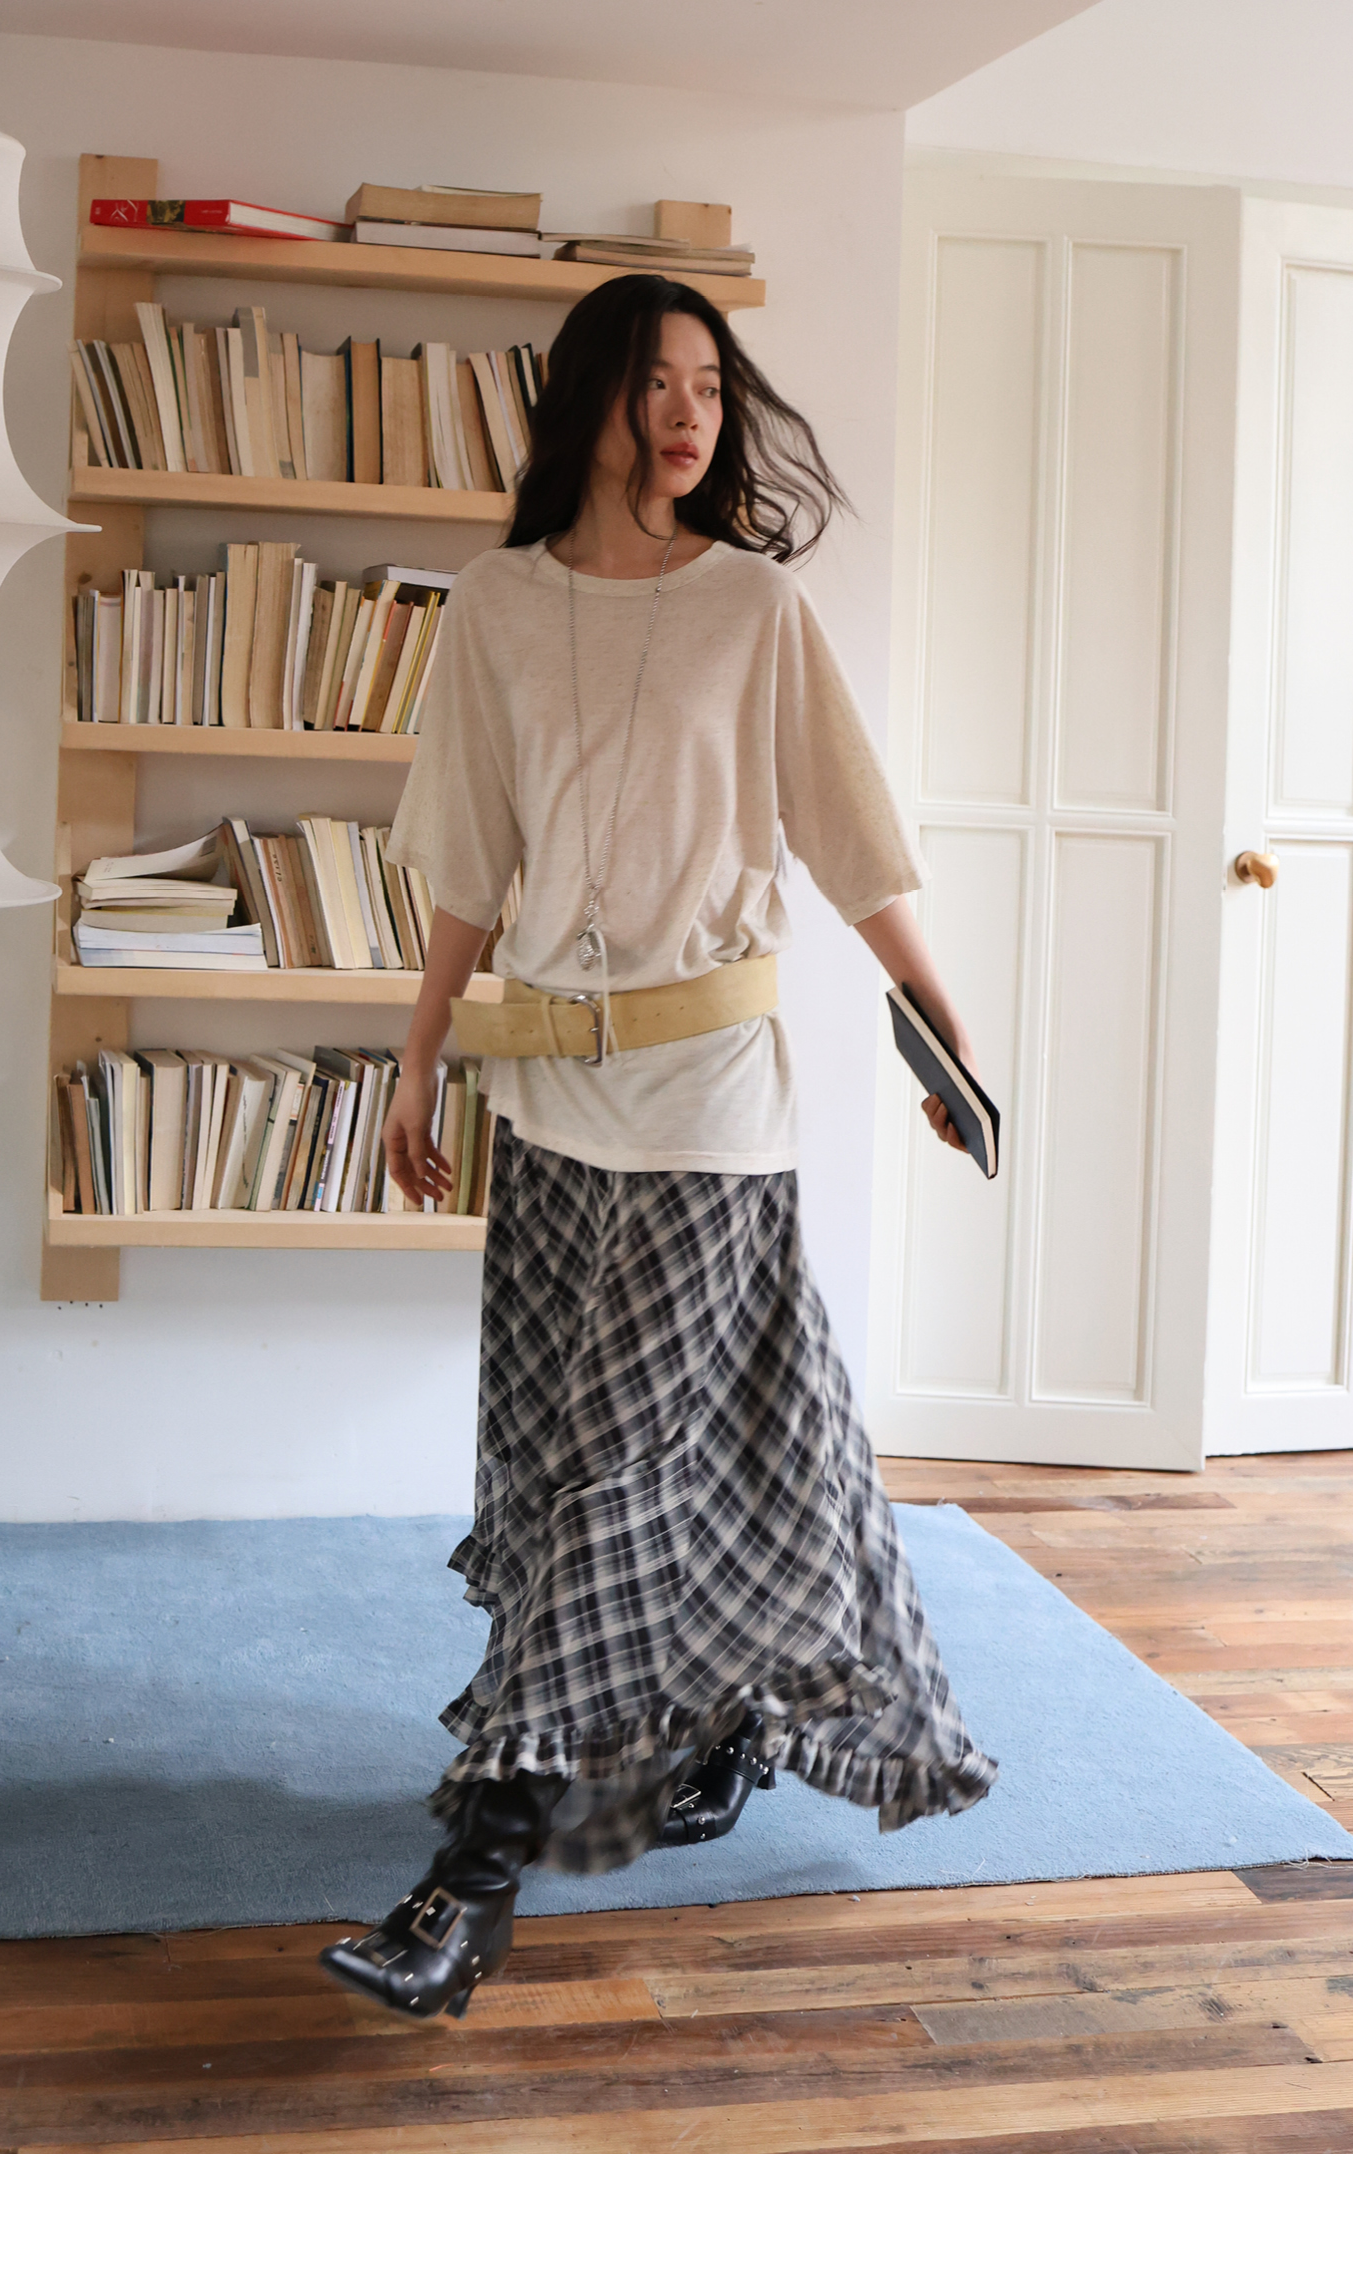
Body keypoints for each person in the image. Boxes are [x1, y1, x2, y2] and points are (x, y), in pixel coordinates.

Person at [320, 273, 996, 2023]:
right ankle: (724, 1719)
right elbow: (467, 857)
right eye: (656, 385)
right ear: (591, 404)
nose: (692, 415)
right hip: (553, 1107)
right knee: (620, 1457)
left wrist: (942, 1025)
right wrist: (417, 1056)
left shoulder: (752, 608)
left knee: (615, 1474)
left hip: (711, 1105)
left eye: (710, 385)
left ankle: (471, 1887)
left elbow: (851, 837)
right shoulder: (496, 605)